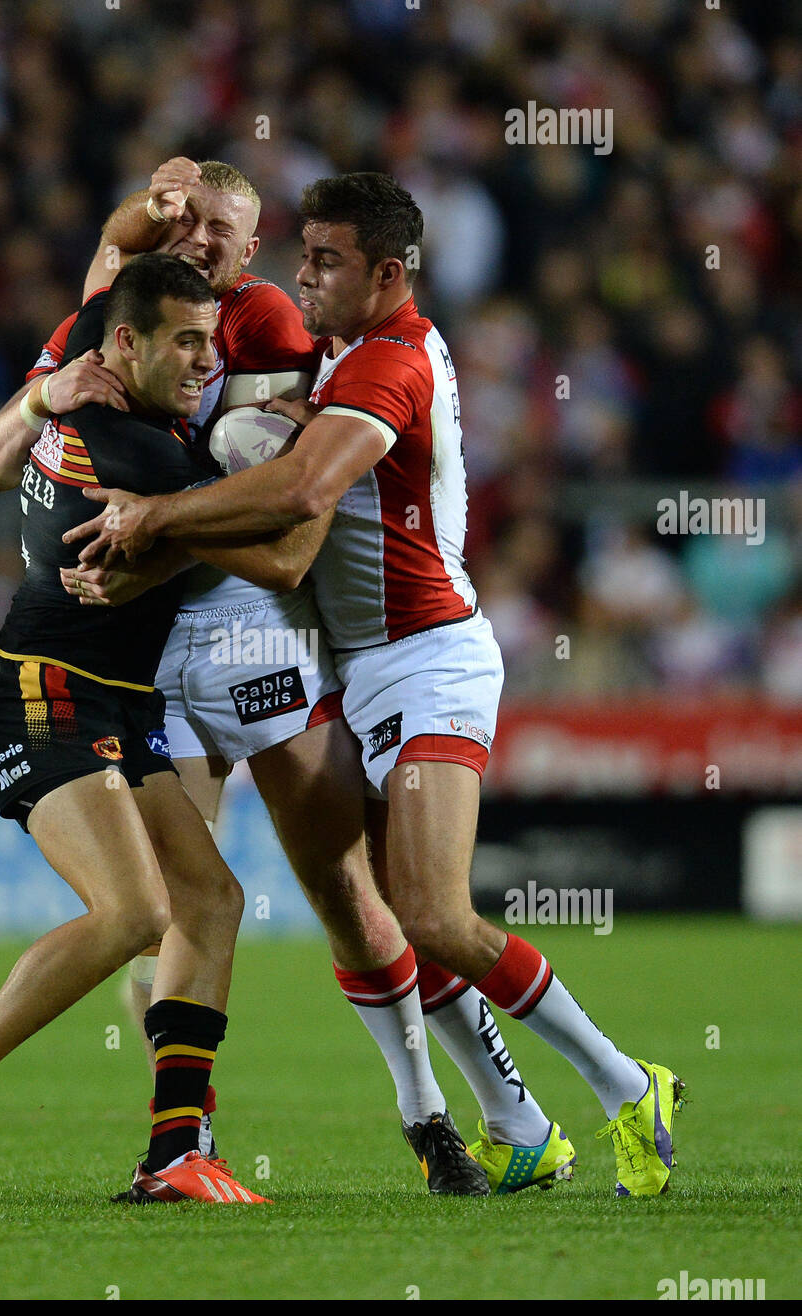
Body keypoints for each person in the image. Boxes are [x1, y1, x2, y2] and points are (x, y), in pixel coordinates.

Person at [67, 173, 686, 1198]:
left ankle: (626, 1086)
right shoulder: (345, 350)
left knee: (428, 913)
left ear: (386, 274)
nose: (298, 274)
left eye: (322, 260)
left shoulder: (385, 365)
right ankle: (513, 1122)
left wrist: (155, 519)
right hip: (356, 662)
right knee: (377, 900)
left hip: (424, 655)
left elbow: (301, 502)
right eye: (299, 254)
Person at [0, 253, 304, 1205]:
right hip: (44, 690)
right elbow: (280, 551)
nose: (207, 363)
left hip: (114, 698)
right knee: (135, 913)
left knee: (210, 903)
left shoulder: (92, 406)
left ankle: (174, 1152)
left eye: (213, 342)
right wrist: (301, 447)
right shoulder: (147, 456)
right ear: (126, 344)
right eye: (186, 343)